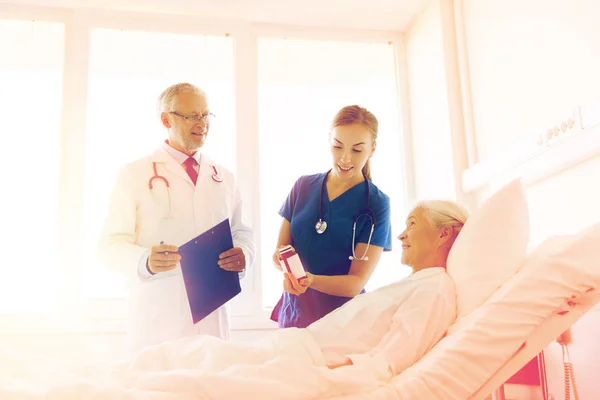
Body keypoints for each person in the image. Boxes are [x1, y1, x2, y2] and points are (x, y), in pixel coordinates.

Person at [1, 201, 466, 399]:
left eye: (412, 224)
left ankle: (60, 388)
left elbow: (392, 360)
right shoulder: (415, 284)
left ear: (445, 232)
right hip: (294, 350)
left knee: (193, 373)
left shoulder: (433, 289)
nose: (401, 234)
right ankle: (62, 380)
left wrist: (335, 378)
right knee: (182, 356)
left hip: (307, 365)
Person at [98, 82, 256, 355]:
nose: (202, 123)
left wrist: (245, 255)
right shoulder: (134, 174)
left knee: (211, 390)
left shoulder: (224, 177)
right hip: (158, 318)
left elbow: (243, 233)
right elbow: (109, 245)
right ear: (165, 119)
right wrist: (144, 260)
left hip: (212, 318)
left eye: (206, 115)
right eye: (192, 116)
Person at [270, 105, 393, 328]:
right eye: (338, 146)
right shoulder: (303, 186)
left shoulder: (376, 204)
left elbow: (355, 283)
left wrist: (311, 280)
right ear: (329, 140)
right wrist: (286, 267)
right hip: (294, 316)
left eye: (357, 150)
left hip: (341, 324)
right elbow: (279, 252)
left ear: (372, 149)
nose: (345, 159)